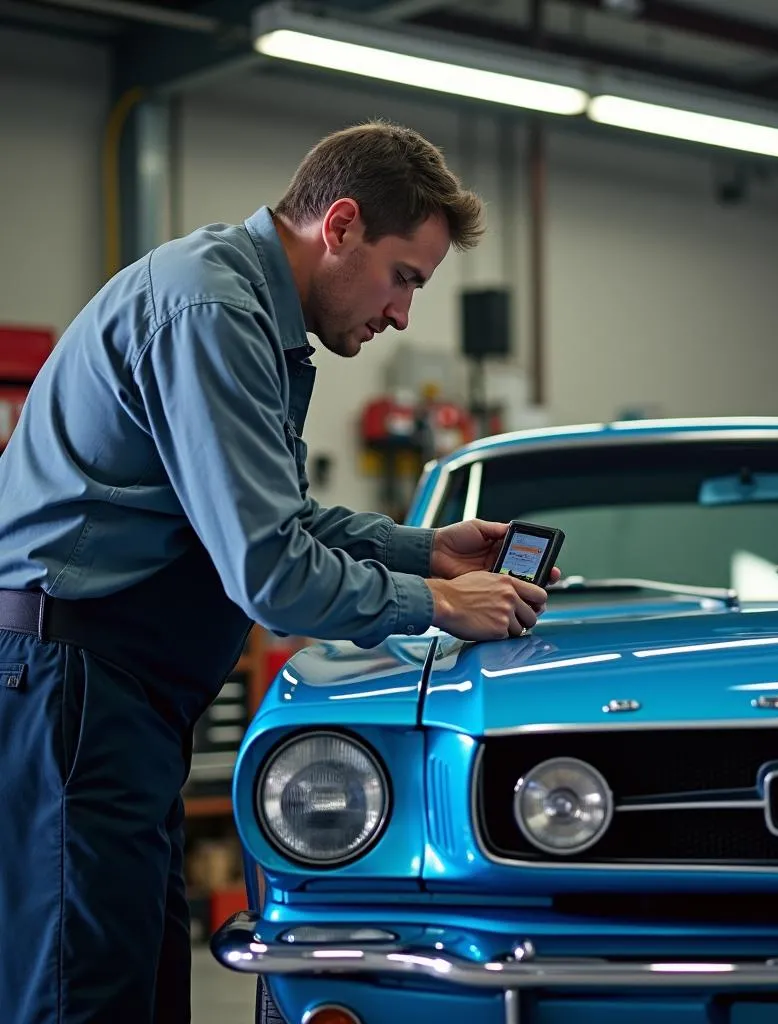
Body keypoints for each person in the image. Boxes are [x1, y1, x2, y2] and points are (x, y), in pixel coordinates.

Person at [0, 120, 555, 1024]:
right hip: (74, 688)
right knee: (82, 992)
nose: (403, 314)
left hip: (114, 698)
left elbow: (282, 519)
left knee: (132, 978)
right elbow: (273, 573)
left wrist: (428, 549)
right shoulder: (213, 311)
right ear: (339, 227)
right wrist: (439, 604)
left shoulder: (246, 310)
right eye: (404, 277)